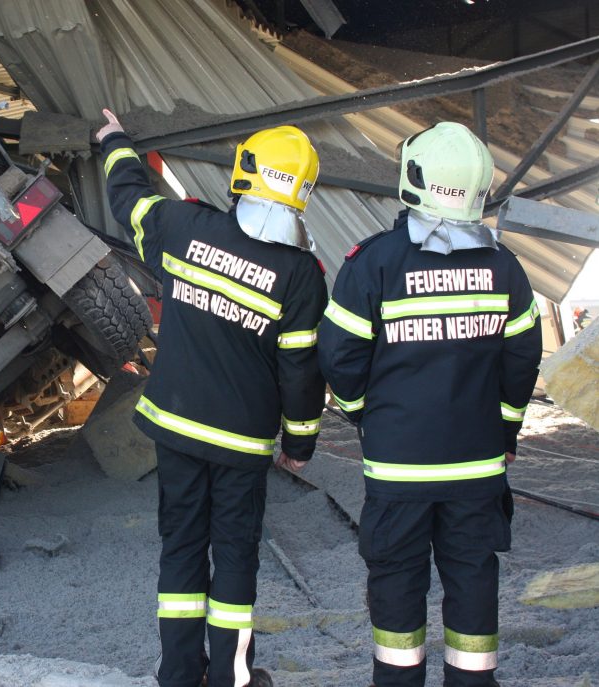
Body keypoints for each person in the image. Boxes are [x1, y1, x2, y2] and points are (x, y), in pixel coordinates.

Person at [97, 108, 328, 687]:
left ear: (245, 170)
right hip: (242, 446)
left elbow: (130, 201)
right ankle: (231, 678)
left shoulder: (184, 226)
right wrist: (300, 442)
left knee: (180, 547)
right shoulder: (301, 274)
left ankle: (179, 675)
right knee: (236, 558)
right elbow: (301, 371)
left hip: (175, 428)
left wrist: (114, 141)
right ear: (302, 192)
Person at [317, 121, 543, 687]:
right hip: (477, 468)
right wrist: (505, 432)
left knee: (397, 583)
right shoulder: (505, 268)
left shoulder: (374, 262)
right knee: (473, 581)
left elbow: (338, 355)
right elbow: (522, 363)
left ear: (414, 178)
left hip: (398, 469)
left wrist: (364, 415)